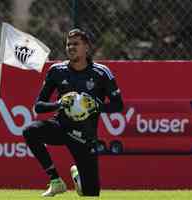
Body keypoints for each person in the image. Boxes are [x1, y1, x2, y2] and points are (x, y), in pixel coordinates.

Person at [23, 28, 124, 197]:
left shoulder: (101, 73)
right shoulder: (56, 71)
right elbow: (38, 106)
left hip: (85, 137)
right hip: (61, 126)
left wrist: (95, 106)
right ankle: (55, 181)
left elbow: (118, 105)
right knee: (30, 131)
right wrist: (58, 103)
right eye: (68, 44)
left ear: (86, 48)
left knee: (90, 193)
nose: (71, 47)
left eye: (76, 44)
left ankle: (78, 177)